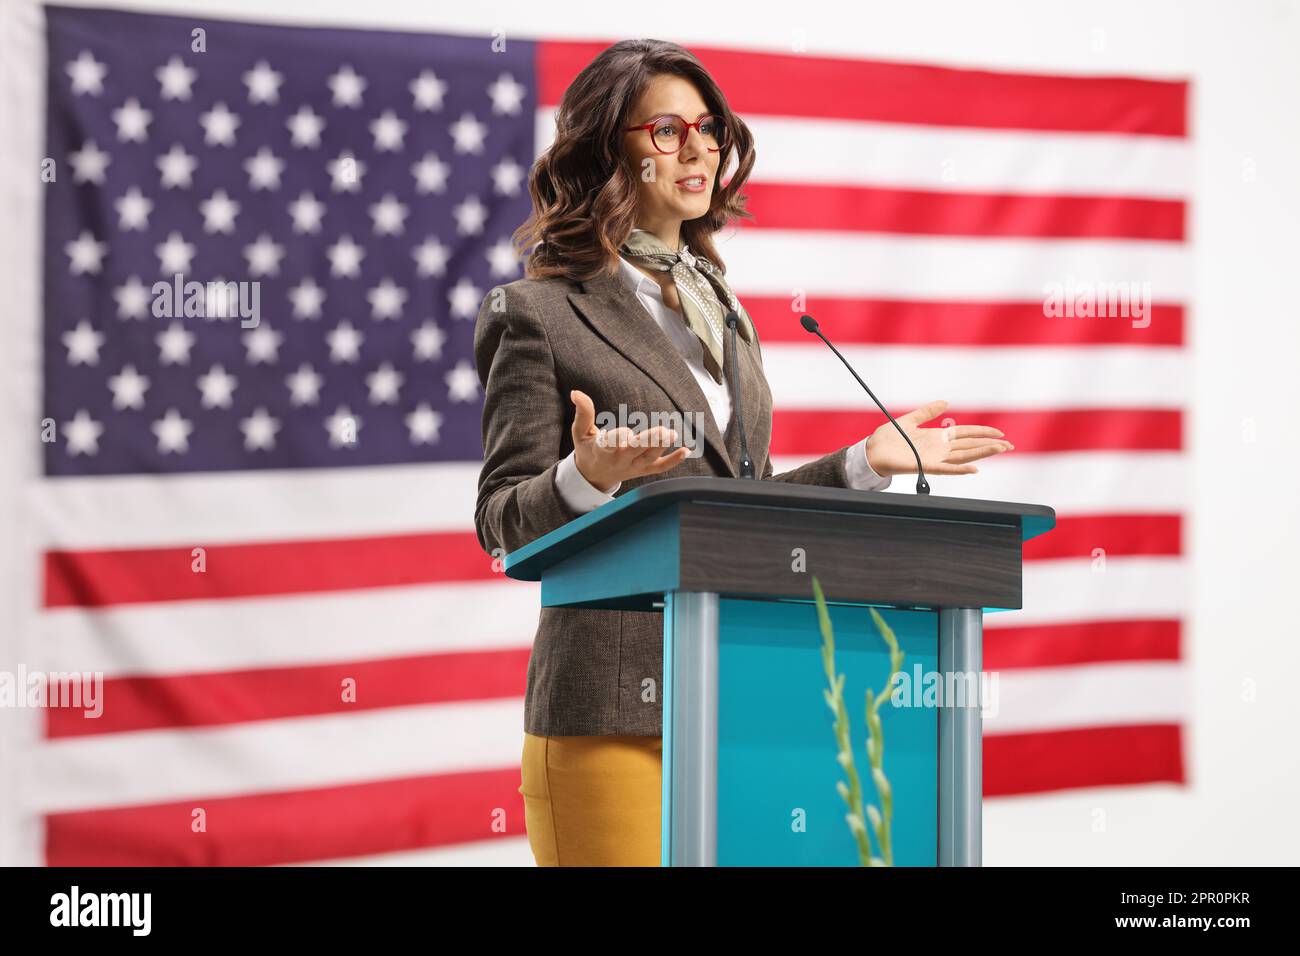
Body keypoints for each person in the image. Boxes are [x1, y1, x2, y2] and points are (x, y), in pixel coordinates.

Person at [473, 38, 1013, 866]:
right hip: (611, 711)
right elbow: (502, 521)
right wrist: (587, 475)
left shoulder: (718, 308)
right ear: (603, 146)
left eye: (710, 127)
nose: (697, 149)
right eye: (664, 129)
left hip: (741, 694)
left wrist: (869, 461)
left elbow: (730, 506)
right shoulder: (536, 312)